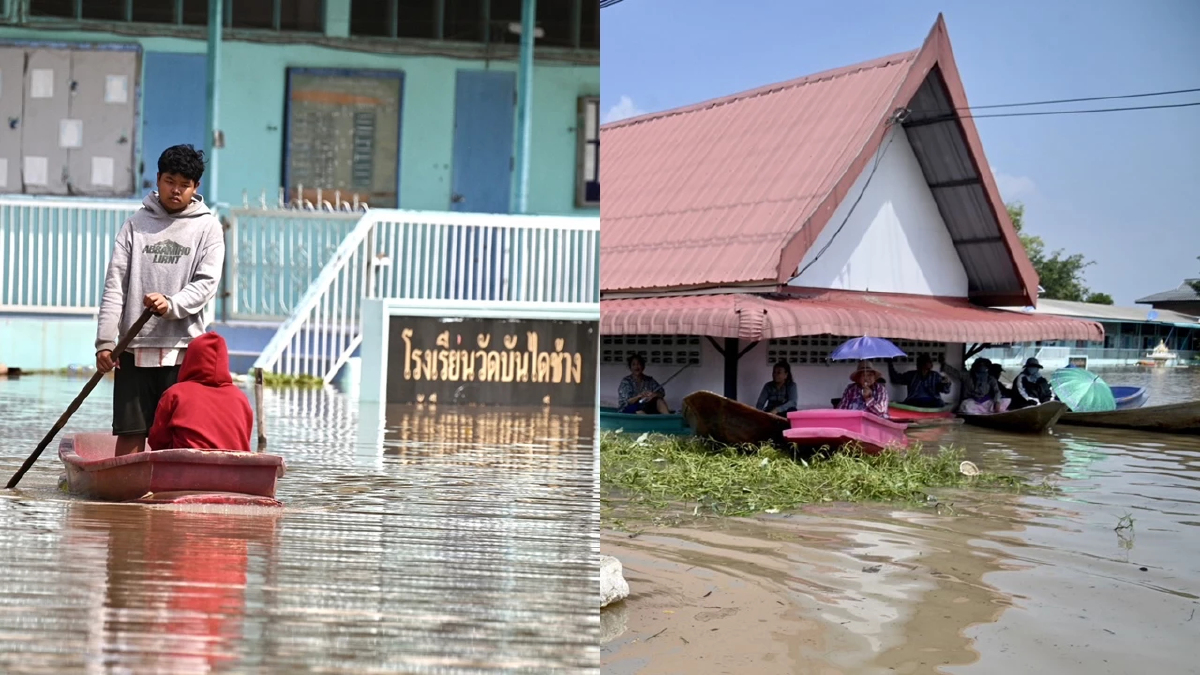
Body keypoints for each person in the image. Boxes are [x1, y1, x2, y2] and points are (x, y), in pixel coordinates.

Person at [94, 145, 224, 456]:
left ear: (196, 187)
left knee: (180, 435)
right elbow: (115, 286)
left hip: (183, 349)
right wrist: (104, 342)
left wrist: (172, 304)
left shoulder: (207, 227)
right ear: (158, 179)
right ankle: (126, 500)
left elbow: (206, 284)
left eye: (184, 184)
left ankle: (171, 498)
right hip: (133, 347)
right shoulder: (135, 225)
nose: (176, 190)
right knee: (130, 433)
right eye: (169, 181)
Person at [148, 332, 253, 452]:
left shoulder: (175, 394)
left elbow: (157, 442)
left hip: (184, 467)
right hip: (234, 468)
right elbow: (244, 440)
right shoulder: (241, 398)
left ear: (190, 359)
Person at [887, 354, 953, 408]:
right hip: (914, 402)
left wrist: (946, 383)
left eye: (929, 363)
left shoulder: (935, 376)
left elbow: (945, 390)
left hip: (932, 402)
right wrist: (890, 363)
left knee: (940, 403)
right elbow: (896, 379)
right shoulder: (912, 375)